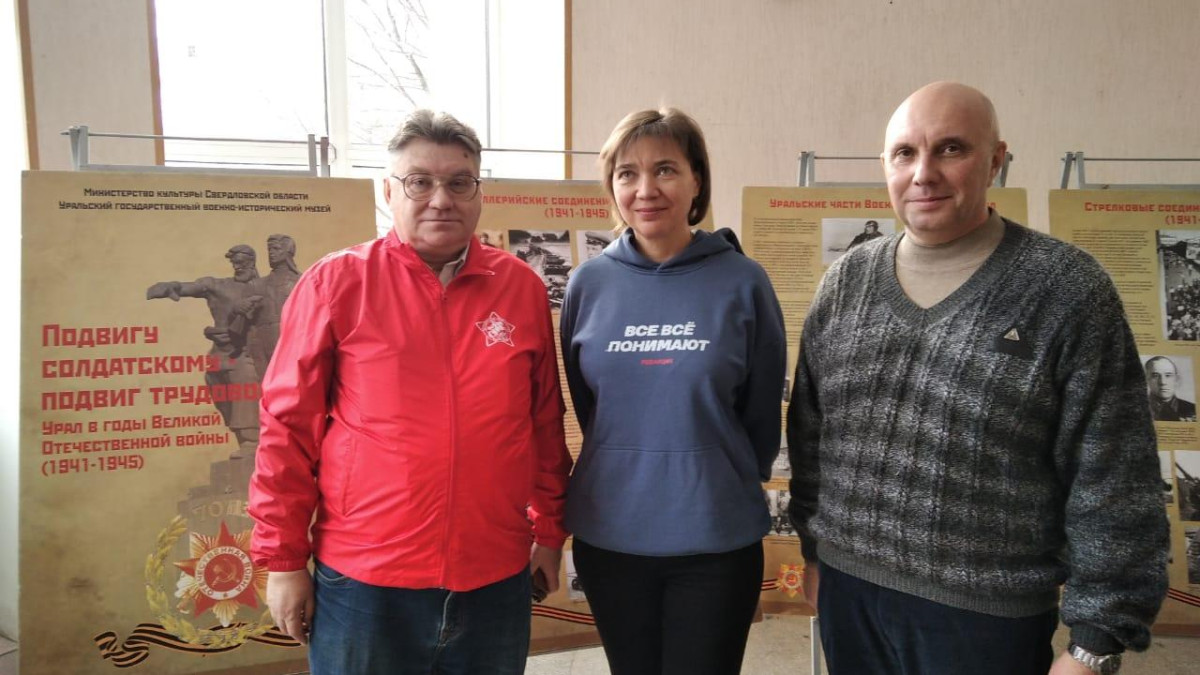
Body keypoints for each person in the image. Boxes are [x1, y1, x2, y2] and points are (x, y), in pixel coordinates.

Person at [788, 82, 1169, 675]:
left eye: (951, 149)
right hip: (849, 596)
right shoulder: (846, 283)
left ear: (996, 160)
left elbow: (1115, 477)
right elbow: (811, 436)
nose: (924, 174)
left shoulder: (1067, 289)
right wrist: (815, 552)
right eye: (905, 153)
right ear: (886, 166)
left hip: (986, 620)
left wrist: (1095, 643)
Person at [248, 109, 573, 675]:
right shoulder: (336, 283)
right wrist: (283, 560)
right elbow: (286, 428)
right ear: (389, 191)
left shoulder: (519, 287)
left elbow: (544, 421)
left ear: (479, 192)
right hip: (366, 582)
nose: (441, 199)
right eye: (419, 182)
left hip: (494, 577)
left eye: (459, 182)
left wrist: (549, 531)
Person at [560, 108, 786, 675]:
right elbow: (594, 409)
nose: (646, 189)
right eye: (627, 173)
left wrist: (709, 466)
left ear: (696, 181)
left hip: (715, 536)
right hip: (611, 535)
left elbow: (762, 413)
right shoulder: (588, 284)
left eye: (665, 169)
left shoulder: (743, 281)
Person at [147, 244, 264, 458]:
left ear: (252, 262)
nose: (238, 267)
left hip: (244, 354)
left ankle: (251, 441)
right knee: (224, 400)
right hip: (218, 354)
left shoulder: (263, 289)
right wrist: (173, 287)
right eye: (235, 263)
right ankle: (245, 439)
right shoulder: (218, 286)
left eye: (242, 262)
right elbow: (194, 287)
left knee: (244, 391)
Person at [1145, 355, 1197, 421]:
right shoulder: (1137, 407)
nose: (1162, 382)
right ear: (1146, 379)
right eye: (1155, 376)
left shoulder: (1194, 409)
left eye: (1168, 375)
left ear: (1176, 379)